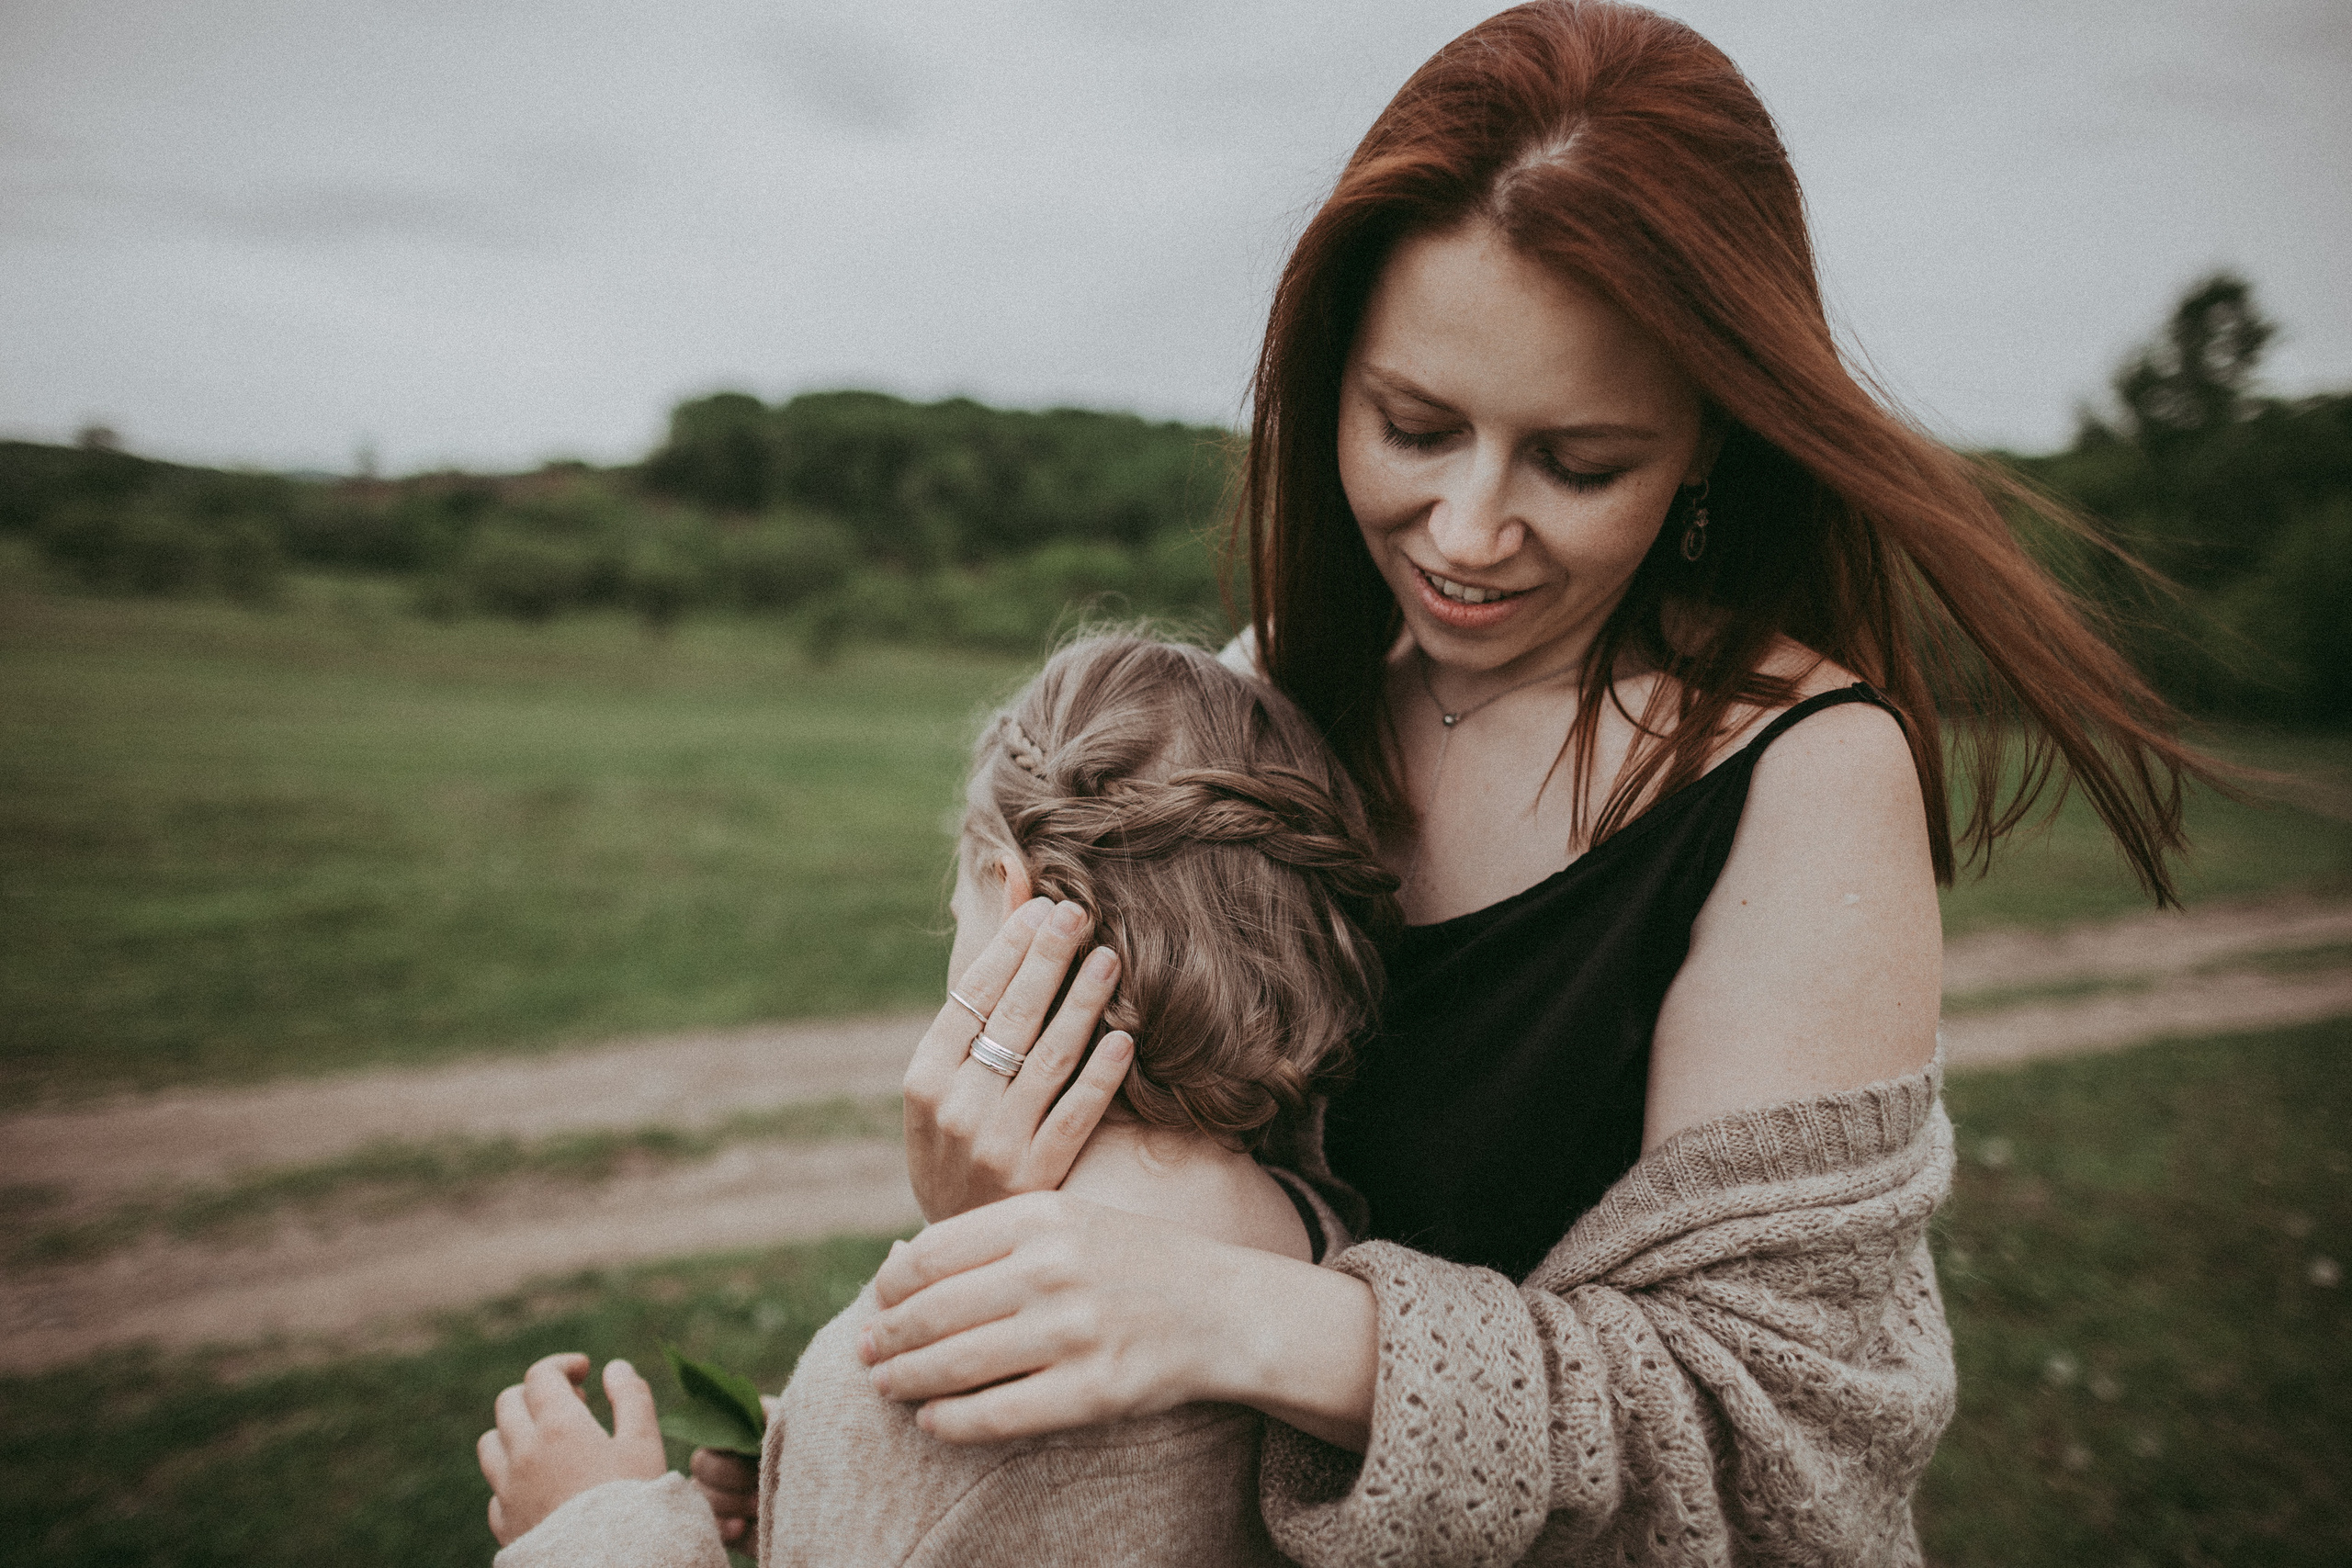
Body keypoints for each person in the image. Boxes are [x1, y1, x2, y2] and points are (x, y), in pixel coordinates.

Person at [844, 5, 2212, 1565]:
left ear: (1708, 438)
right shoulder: (1272, 685)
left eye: (1579, 461)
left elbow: (1779, 1449)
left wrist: (1260, 1320)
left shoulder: (1804, 778)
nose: (1469, 530)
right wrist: (1007, 1193)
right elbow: (1167, 1182)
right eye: (1414, 427)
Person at [475, 635, 1403, 1566]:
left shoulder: (919, 1391)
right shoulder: (1320, 1242)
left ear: (1014, 896)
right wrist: (803, 1474)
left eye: (961, 882)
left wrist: (589, 1526)